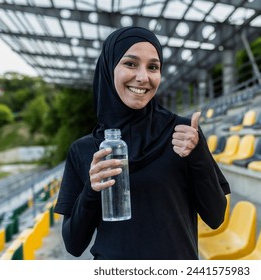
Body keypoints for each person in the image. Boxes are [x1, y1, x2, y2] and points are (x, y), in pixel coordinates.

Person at [54, 26, 230, 260]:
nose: (143, 77)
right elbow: (73, 244)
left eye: (153, 67)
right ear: (109, 68)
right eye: (130, 63)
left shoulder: (183, 134)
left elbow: (216, 217)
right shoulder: (84, 150)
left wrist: (198, 156)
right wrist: (91, 190)